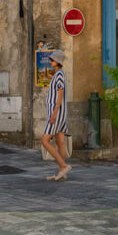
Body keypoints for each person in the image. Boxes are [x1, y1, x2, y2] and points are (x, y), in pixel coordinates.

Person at [41, 50, 71, 181]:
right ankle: (61, 173)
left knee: (45, 140)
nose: (50, 61)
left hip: (56, 113)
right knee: (60, 141)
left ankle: (63, 166)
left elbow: (60, 93)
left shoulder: (59, 75)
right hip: (60, 112)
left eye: (52, 60)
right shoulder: (59, 74)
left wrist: (54, 113)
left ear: (58, 61)